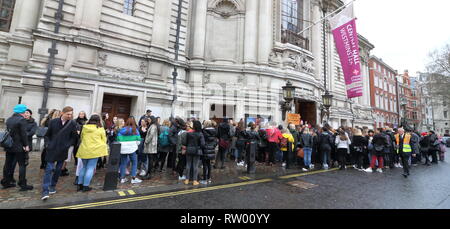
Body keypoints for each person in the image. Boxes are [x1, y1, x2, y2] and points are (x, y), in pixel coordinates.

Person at [41, 106, 79, 200]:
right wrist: (48, 144)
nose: (70, 116)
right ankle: (45, 191)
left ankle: (52, 186)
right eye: (68, 114)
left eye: (71, 114)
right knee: (49, 170)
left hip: (63, 150)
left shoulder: (72, 123)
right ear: (62, 113)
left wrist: (67, 145)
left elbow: (74, 138)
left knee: (58, 170)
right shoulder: (53, 122)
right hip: (51, 150)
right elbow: (47, 135)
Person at [1, 104, 33, 191]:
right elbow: (23, 134)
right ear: (23, 111)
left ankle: (6, 182)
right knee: (22, 165)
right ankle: (23, 184)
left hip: (9, 145)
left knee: (7, 164)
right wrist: (26, 145)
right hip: (19, 147)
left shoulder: (9, 119)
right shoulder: (21, 120)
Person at [75, 114, 108, 192]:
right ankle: (85, 186)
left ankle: (79, 184)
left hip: (84, 150)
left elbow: (81, 138)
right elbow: (104, 140)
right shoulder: (100, 129)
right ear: (98, 121)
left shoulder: (84, 127)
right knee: (90, 168)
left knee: (84, 167)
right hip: (94, 151)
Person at [117, 117, 142, 184]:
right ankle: (133, 178)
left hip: (123, 149)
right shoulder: (135, 130)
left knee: (123, 163)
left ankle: (122, 178)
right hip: (132, 149)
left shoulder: (121, 130)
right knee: (134, 163)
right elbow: (138, 141)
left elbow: (118, 140)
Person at [182, 120, 205, 186]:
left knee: (188, 164)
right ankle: (194, 180)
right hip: (197, 151)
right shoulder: (200, 134)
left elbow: (184, 142)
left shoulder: (189, 133)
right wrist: (199, 147)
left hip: (189, 150)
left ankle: (187, 179)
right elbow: (203, 144)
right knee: (195, 165)